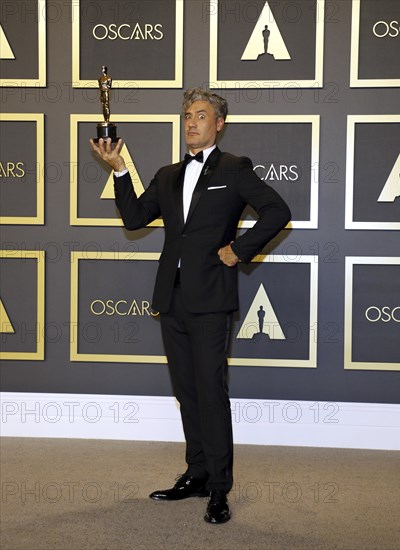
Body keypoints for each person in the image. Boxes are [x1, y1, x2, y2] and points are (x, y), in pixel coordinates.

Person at [90, 88, 291, 524]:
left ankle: (220, 488)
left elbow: (277, 210)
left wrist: (239, 249)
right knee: (187, 392)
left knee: (211, 393)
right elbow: (134, 218)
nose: (192, 123)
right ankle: (196, 473)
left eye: (201, 116)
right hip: (172, 298)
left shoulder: (235, 169)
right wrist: (120, 169)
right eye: (186, 116)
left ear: (219, 123)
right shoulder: (166, 174)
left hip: (211, 299)